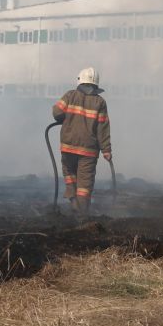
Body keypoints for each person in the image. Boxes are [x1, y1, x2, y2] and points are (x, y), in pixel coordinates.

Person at [52, 67, 112, 219]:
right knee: (85, 183)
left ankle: (73, 202)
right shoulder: (100, 102)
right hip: (89, 151)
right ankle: (82, 213)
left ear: (79, 80)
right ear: (96, 85)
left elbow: (56, 112)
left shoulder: (70, 95)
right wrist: (106, 150)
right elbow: (102, 128)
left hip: (68, 146)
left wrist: (64, 118)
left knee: (69, 173)